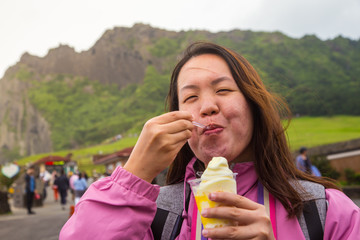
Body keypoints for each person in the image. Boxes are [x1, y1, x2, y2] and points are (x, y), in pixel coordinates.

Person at [60, 42, 359, 239]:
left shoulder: (325, 211)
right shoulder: (153, 216)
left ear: (253, 104)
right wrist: (134, 173)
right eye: (190, 97)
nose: (206, 106)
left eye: (224, 90)